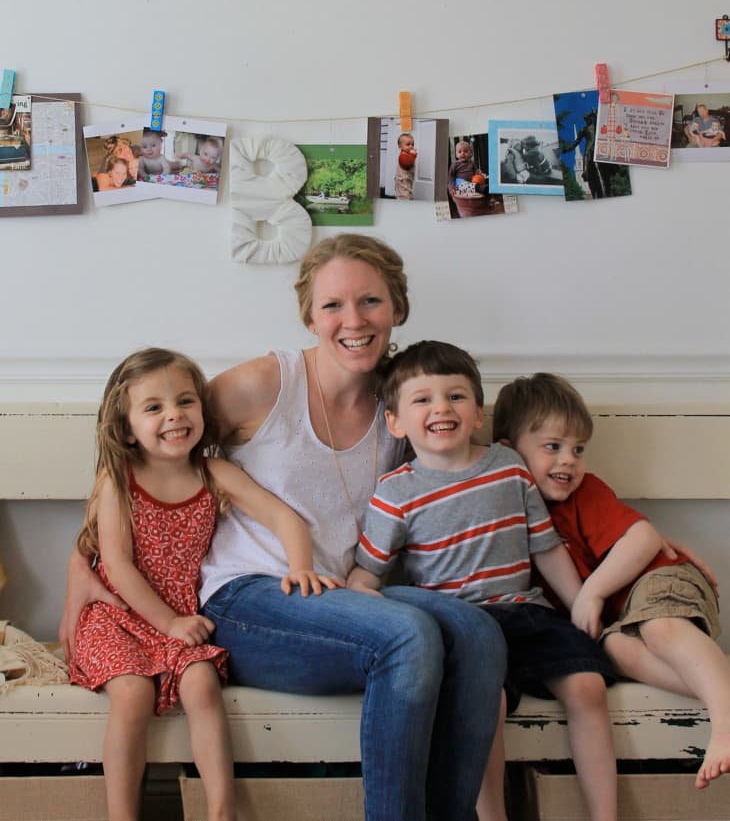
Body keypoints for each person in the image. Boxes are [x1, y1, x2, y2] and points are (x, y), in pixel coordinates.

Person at [60, 235, 508, 821]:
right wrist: (82, 562)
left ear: (397, 307)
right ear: (308, 316)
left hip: (336, 594)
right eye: (333, 306)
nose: (354, 320)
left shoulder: (405, 401)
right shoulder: (261, 386)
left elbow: (473, 473)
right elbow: (143, 453)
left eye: (371, 301)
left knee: (476, 633)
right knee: (408, 636)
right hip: (246, 599)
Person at [349, 341, 617, 821]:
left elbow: (546, 547)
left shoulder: (509, 467)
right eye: (422, 399)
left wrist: (581, 604)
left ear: (478, 413)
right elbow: (368, 573)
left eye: (455, 396)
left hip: (528, 612)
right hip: (464, 629)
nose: (441, 408)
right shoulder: (396, 494)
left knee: (588, 686)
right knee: (483, 703)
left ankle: (605, 815)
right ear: (395, 423)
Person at [70, 347, 338, 821]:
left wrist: (299, 566)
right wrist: (168, 622)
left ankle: (221, 810)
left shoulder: (213, 474)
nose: (173, 416)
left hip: (184, 618)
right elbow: (119, 567)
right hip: (117, 618)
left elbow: (283, 516)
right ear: (127, 427)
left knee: (201, 683)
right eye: (153, 407)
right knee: (133, 693)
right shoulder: (118, 482)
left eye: (185, 401)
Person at [493, 372, 730, 791]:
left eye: (577, 449)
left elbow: (643, 538)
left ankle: (726, 726)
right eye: (553, 447)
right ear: (509, 453)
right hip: (621, 623)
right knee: (616, 650)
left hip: (658, 580)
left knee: (659, 628)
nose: (569, 460)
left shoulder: (586, 493)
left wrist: (593, 593)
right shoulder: (502, 506)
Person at [394, 132, 417, 199]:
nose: (411, 146)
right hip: (402, 182)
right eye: (408, 144)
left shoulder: (407, 155)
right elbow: (407, 164)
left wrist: (412, 155)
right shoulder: (402, 156)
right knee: (404, 196)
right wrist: (413, 155)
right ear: (400, 146)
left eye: (412, 144)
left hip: (407, 182)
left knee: (407, 194)